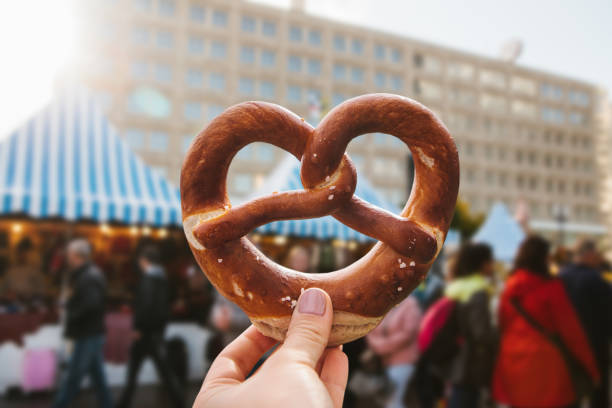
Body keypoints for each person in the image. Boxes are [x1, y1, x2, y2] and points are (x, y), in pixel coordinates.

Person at [193, 288, 348, 408]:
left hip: (269, 354)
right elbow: (218, 308)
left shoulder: (262, 269)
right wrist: (216, 316)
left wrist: (231, 319)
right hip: (249, 350)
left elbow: (268, 311)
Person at [493, 235, 600, 407]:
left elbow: (502, 324)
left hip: (512, 363)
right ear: (544, 258)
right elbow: (571, 332)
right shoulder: (550, 287)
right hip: (547, 365)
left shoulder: (510, 286)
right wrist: (591, 369)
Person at [116, 246, 185, 408]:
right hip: (157, 332)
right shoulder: (163, 279)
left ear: (144, 261)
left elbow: (146, 306)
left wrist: (138, 328)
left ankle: (122, 404)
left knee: (134, 374)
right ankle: (180, 403)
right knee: (166, 374)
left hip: (145, 334)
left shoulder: (148, 280)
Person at [52, 239, 112, 408]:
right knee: (98, 377)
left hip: (87, 333)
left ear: (76, 255)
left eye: (69, 254)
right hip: (90, 332)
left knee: (73, 377)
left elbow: (91, 305)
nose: (67, 257)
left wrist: (70, 312)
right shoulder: (87, 274)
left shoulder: (88, 276)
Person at [440, 242, 497, 408]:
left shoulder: (456, 286)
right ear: (483, 263)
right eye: (490, 261)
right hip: (470, 362)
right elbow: (481, 333)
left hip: (454, 355)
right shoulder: (478, 289)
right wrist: (500, 335)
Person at [560, 239, 612, 408]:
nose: (598, 258)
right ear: (588, 254)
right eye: (596, 254)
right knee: (598, 393)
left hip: (566, 346)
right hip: (594, 344)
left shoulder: (560, 277)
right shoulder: (596, 279)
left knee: (570, 394)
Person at [366, 295, 422, 408]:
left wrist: (381, 346)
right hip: (381, 363)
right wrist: (376, 345)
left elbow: (408, 333)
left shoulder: (410, 304)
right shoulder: (381, 303)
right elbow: (370, 328)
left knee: (393, 401)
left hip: (402, 361)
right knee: (386, 400)